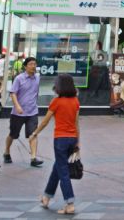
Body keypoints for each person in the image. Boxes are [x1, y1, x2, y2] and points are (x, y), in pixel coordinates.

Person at [31, 74, 80, 215]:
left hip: (60, 139)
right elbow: (77, 124)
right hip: (72, 139)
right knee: (57, 168)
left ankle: (69, 203)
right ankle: (46, 197)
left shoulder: (56, 102)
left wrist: (35, 133)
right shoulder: (75, 101)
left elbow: (45, 121)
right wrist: (78, 143)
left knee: (63, 171)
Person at [3, 56, 43, 168]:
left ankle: (33, 157)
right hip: (18, 113)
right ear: (25, 66)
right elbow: (13, 93)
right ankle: (6, 152)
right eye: (30, 64)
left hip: (32, 112)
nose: (33, 66)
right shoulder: (19, 78)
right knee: (13, 135)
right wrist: (17, 106)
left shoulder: (38, 78)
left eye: (34, 64)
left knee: (33, 134)